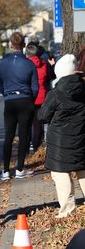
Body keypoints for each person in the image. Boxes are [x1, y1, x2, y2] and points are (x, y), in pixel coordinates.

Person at [38, 54, 85, 218]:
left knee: (61, 174)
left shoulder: (56, 93)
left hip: (60, 142)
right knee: (83, 170)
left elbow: (43, 116)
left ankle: (67, 210)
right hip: (82, 137)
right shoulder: (84, 89)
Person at [0, 32, 38, 180]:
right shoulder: (29, 64)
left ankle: (6, 171)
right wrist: (29, 98)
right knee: (23, 135)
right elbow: (35, 87)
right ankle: (20, 168)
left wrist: (7, 95)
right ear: (23, 45)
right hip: (25, 100)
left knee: (8, 136)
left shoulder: (2, 63)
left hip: (10, 100)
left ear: (10, 45)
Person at [25, 44, 48, 152]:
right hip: (41, 97)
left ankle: (27, 144)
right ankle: (36, 147)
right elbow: (48, 78)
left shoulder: (25, 65)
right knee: (37, 124)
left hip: (28, 96)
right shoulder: (44, 64)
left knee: (26, 122)